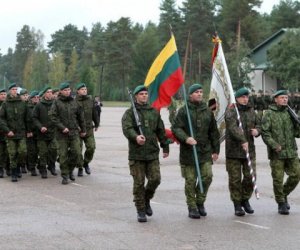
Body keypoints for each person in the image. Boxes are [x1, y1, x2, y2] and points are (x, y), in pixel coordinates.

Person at [121, 85, 169, 223]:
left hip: (152, 152)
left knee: (155, 179)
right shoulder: (129, 113)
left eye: (145, 94)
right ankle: (140, 209)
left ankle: (146, 198)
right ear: (136, 96)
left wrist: (165, 146)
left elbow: (160, 130)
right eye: (141, 94)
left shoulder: (153, 112)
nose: (144, 96)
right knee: (139, 183)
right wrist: (136, 137)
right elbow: (127, 128)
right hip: (137, 154)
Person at [172, 83, 220, 219]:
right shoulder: (184, 110)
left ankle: (200, 201)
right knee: (190, 180)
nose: (199, 94)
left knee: (207, 176)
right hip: (189, 151)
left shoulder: (207, 111)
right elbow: (176, 128)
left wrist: (216, 150)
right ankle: (192, 206)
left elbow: (213, 132)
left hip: (204, 151)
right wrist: (186, 138)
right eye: (196, 92)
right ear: (190, 95)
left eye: (201, 91)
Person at [261, 90, 300, 215]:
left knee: (296, 174)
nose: (285, 100)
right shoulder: (269, 114)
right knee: (278, 179)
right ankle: (281, 203)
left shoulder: (290, 113)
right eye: (282, 98)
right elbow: (265, 133)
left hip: (291, 151)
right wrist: (274, 145)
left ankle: (283, 194)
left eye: (286, 98)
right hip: (277, 153)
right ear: (275, 99)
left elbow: (297, 133)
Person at [225, 87, 261, 216]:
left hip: (249, 151)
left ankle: (245, 199)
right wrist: (242, 139)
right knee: (235, 179)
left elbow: (259, 124)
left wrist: (257, 131)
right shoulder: (231, 110)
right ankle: (237, 204)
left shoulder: (251, 111)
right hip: (234, 151)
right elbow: (232, 127)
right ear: (237, 98)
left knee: (250, 177)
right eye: (242, 97)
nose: (245, 99)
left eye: (247, 97)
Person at [50, 82, 86, 185]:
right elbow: (53, 117)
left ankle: (70, 170)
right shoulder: (56, 102)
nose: (67, 92)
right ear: (61, 91)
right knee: (63, 155)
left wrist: (83, 130)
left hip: (74, 132)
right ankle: (65, 175)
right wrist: (62, 127)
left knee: (77, 153)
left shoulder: (74, 102)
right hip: (61, 134)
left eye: (69, 90)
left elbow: (80, 117)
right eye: (65, 90)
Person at [0, 83, 28, 182]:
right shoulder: (5, 104)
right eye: (13, 89)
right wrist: (7, 130)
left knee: (23, 152)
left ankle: (19, 166)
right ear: (9, 91)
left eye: (16, 89)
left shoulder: (22, 103)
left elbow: (27, 118)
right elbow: (1, 119)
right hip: (10, 134)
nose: (15, 91)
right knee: (12, 153)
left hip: (21, 133)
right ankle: (14, 172)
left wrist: (28, 131)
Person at [32, 86, 58, 178]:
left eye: (51, 92)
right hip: (41, 134)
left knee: (54, 150)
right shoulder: (39, 105)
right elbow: (34, 118)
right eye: (48, 92)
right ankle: (43, 168)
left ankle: (52, 165)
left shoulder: (55, 104)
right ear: (44, 94)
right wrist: (40, 127)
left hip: (53, 132)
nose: (50, 93)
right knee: (43, 152)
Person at [75, 83, 99, 176]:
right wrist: (78, 127)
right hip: (78, 130)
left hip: (89, 128)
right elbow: (72, 116)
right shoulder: (74, 101)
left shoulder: (90, 100)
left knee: (91, 147)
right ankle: (80, 167)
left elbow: (94, 113)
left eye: (85, 89)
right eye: (82, 89)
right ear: (78, 91)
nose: (84, 91)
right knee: (77, 150)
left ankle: (86, 163)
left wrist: (97, 124)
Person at [0, 88, 9, 178]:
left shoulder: (8, 105)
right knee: (1, 152)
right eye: (1, 94)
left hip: (7, 132)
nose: (3, 96)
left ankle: (8, 167)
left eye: (4, 94)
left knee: (8, 151)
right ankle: (1, 168)